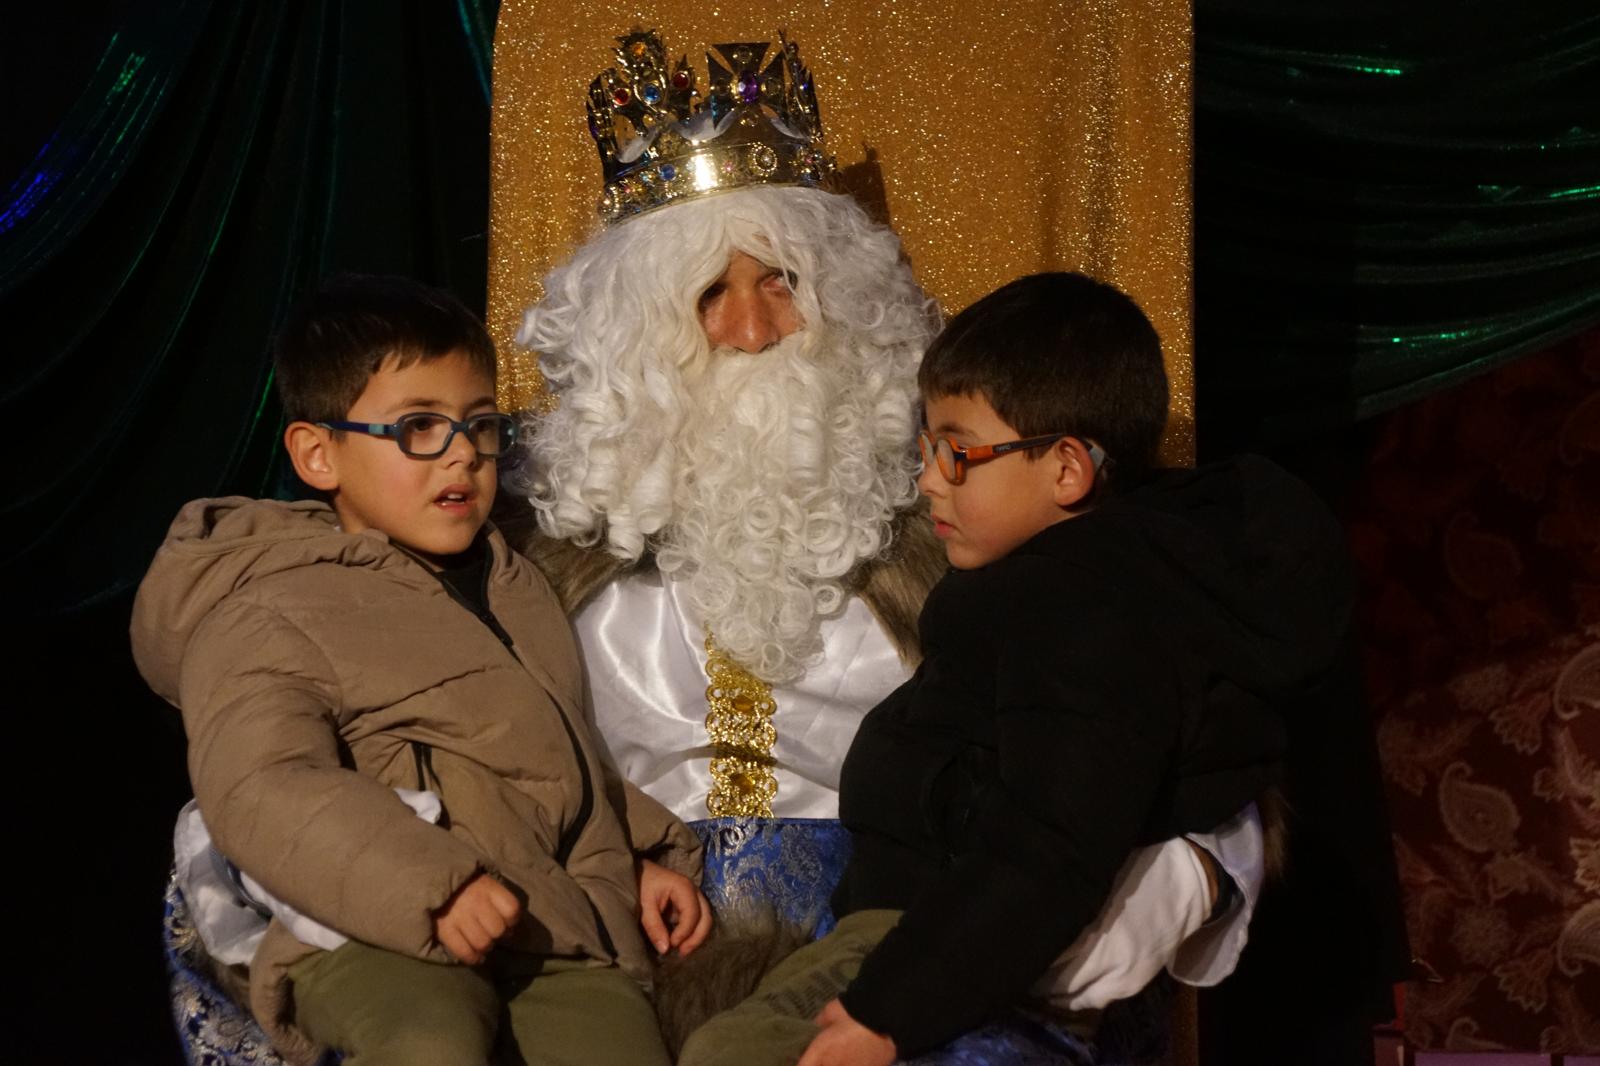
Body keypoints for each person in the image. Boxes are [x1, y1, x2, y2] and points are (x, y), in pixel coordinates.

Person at [507, 31, 1266, 1059]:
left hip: (904, 933)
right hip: (624, 942)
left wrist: (1202, 862)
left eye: (779, 281)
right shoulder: (543, 572)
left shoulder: (973, 530)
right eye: (704, 296)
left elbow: (1154, 715)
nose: (749, 329)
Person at [676, 271, 1357, 1066]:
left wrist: (893, 1011)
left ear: (1068, 469)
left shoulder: (1080, 605)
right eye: (926, 447)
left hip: (944, 946)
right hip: (898, 931)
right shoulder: (1039, 582)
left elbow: (1048, 840)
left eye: (958, 453)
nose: (930, 476)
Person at [132, 275, 709, 1066]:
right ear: (316, 453)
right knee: (432, 1045)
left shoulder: (516, 585)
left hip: (555, 931)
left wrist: (641, 853)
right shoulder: (268, 608)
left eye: (479, 425)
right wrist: (433, 886)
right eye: (418, 428)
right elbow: (263, 784)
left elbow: (547, 755)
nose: (463, 455)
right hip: (368, 928)